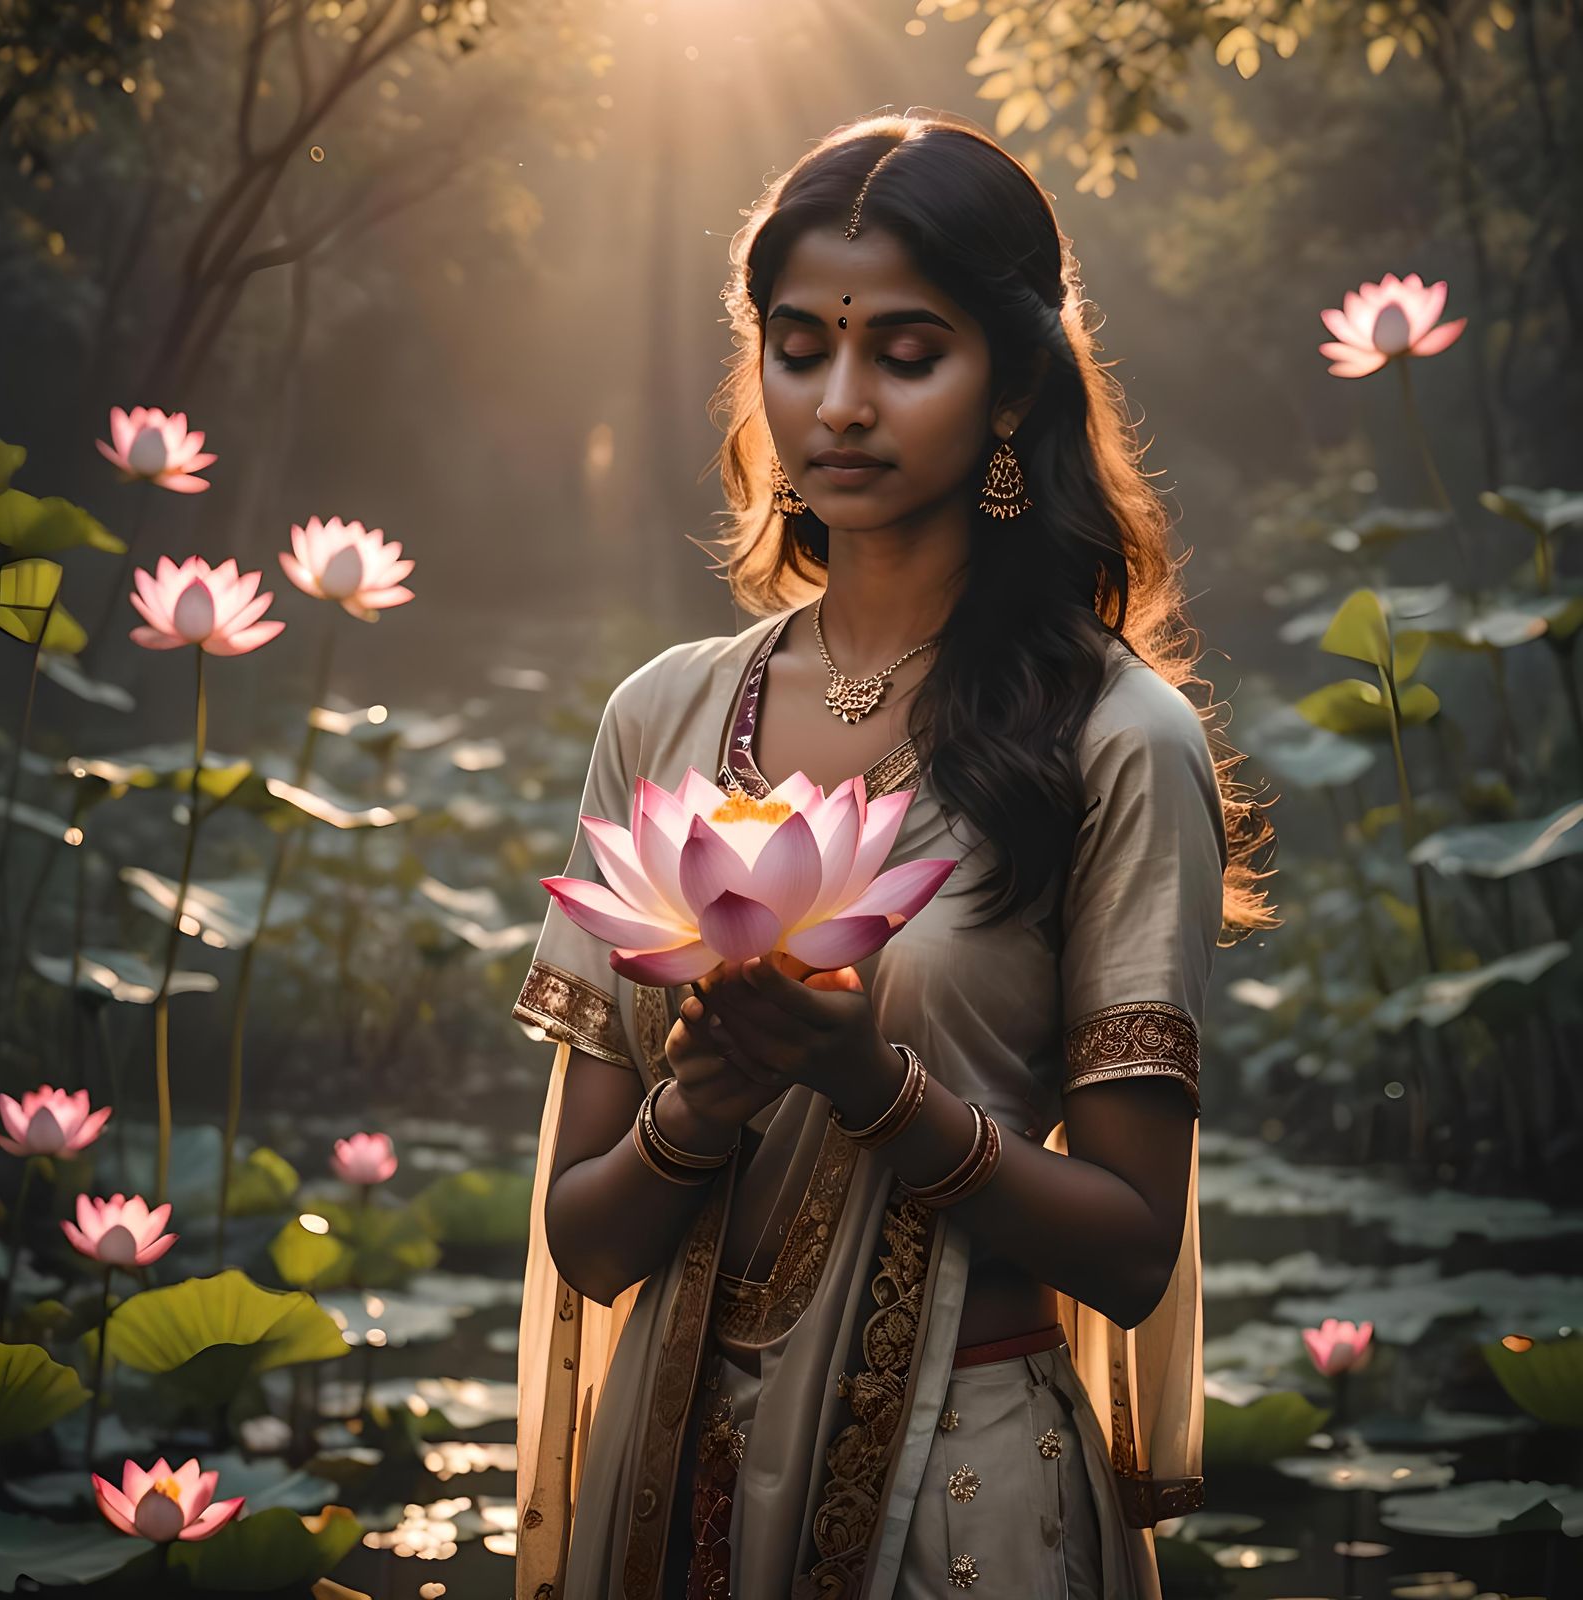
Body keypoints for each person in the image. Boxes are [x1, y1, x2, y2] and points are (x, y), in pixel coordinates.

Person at [513, 110, 1275, 1600]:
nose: (842, 404)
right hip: (671, 1496)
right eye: (801, 350)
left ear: (1014, 385)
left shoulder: (1116, 737)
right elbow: (587, 1247)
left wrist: (877, 1089)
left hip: (958, 1493)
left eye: (907, 354)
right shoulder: (663, 716)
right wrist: (701, 1103)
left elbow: (1132, 1254)